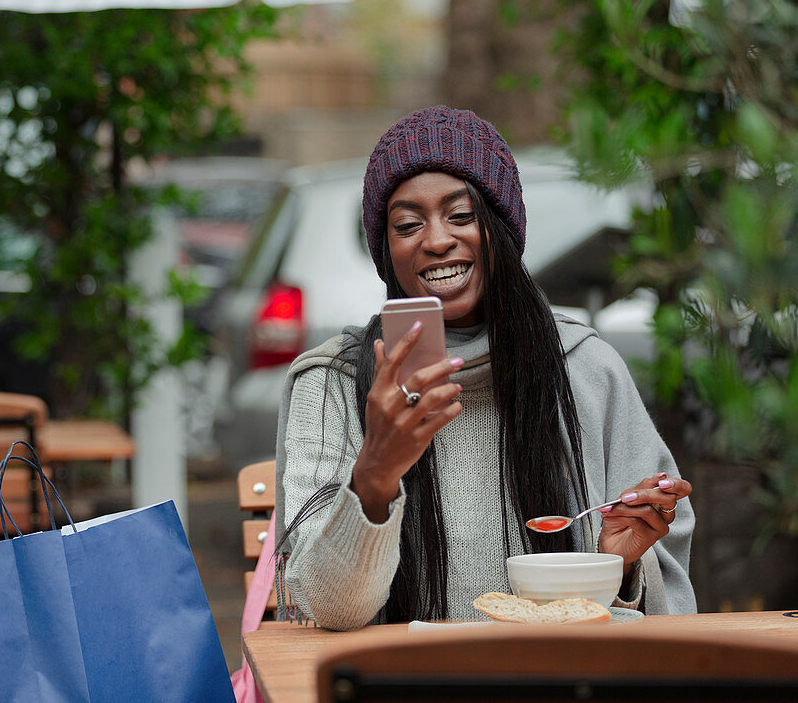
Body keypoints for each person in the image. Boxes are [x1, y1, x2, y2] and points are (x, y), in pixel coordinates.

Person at [274, 106, 695, 631]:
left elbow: (644, 601)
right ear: (386, 249)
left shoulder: (584, 368)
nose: (435, 240)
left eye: (461, 215)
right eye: (407, 224)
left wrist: (616, 564)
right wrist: (376, 472)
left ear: (500, 227)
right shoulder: (334, 383)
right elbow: (326, 611)